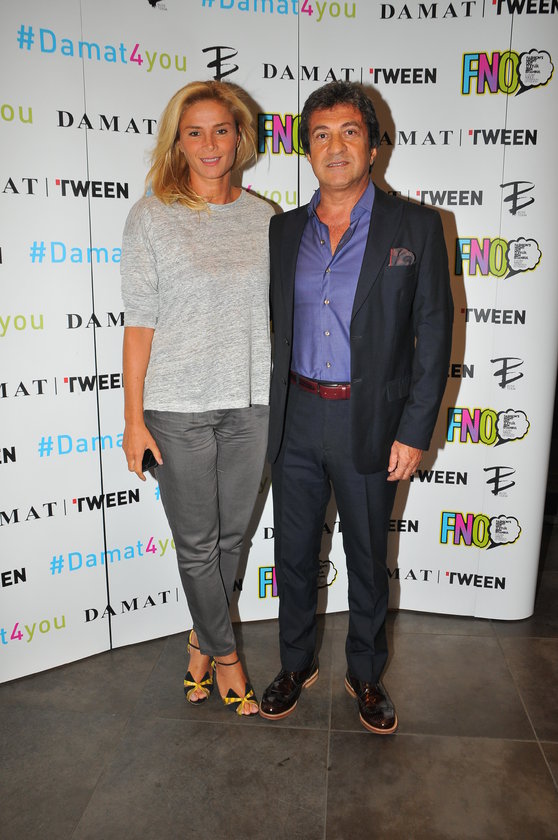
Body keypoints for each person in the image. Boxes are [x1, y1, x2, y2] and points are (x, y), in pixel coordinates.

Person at [259, 81, 453, 733]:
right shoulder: (283, 230)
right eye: (321, 134)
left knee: (369, 556)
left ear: (372, 146)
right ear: (306, 149)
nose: (335, 146)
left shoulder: (417, 227)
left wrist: (415, 430)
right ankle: (294, 664)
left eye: (349, 132)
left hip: (371, 421)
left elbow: (434, 334)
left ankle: (366, 674)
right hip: (296, 418)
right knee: (293, 554)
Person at [121, 80, 274, 716]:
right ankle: (227, 656)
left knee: (231, 538)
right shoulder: (151, 215)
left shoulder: (266, 218)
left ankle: (200, 640)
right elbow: (139, 323)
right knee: (197, 544)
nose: (209, 144)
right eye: (194, 132)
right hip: (176, 408)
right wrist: (133, 421)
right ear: (177, 142)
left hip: (251, 401)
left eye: (221, 130)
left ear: (240, 138)